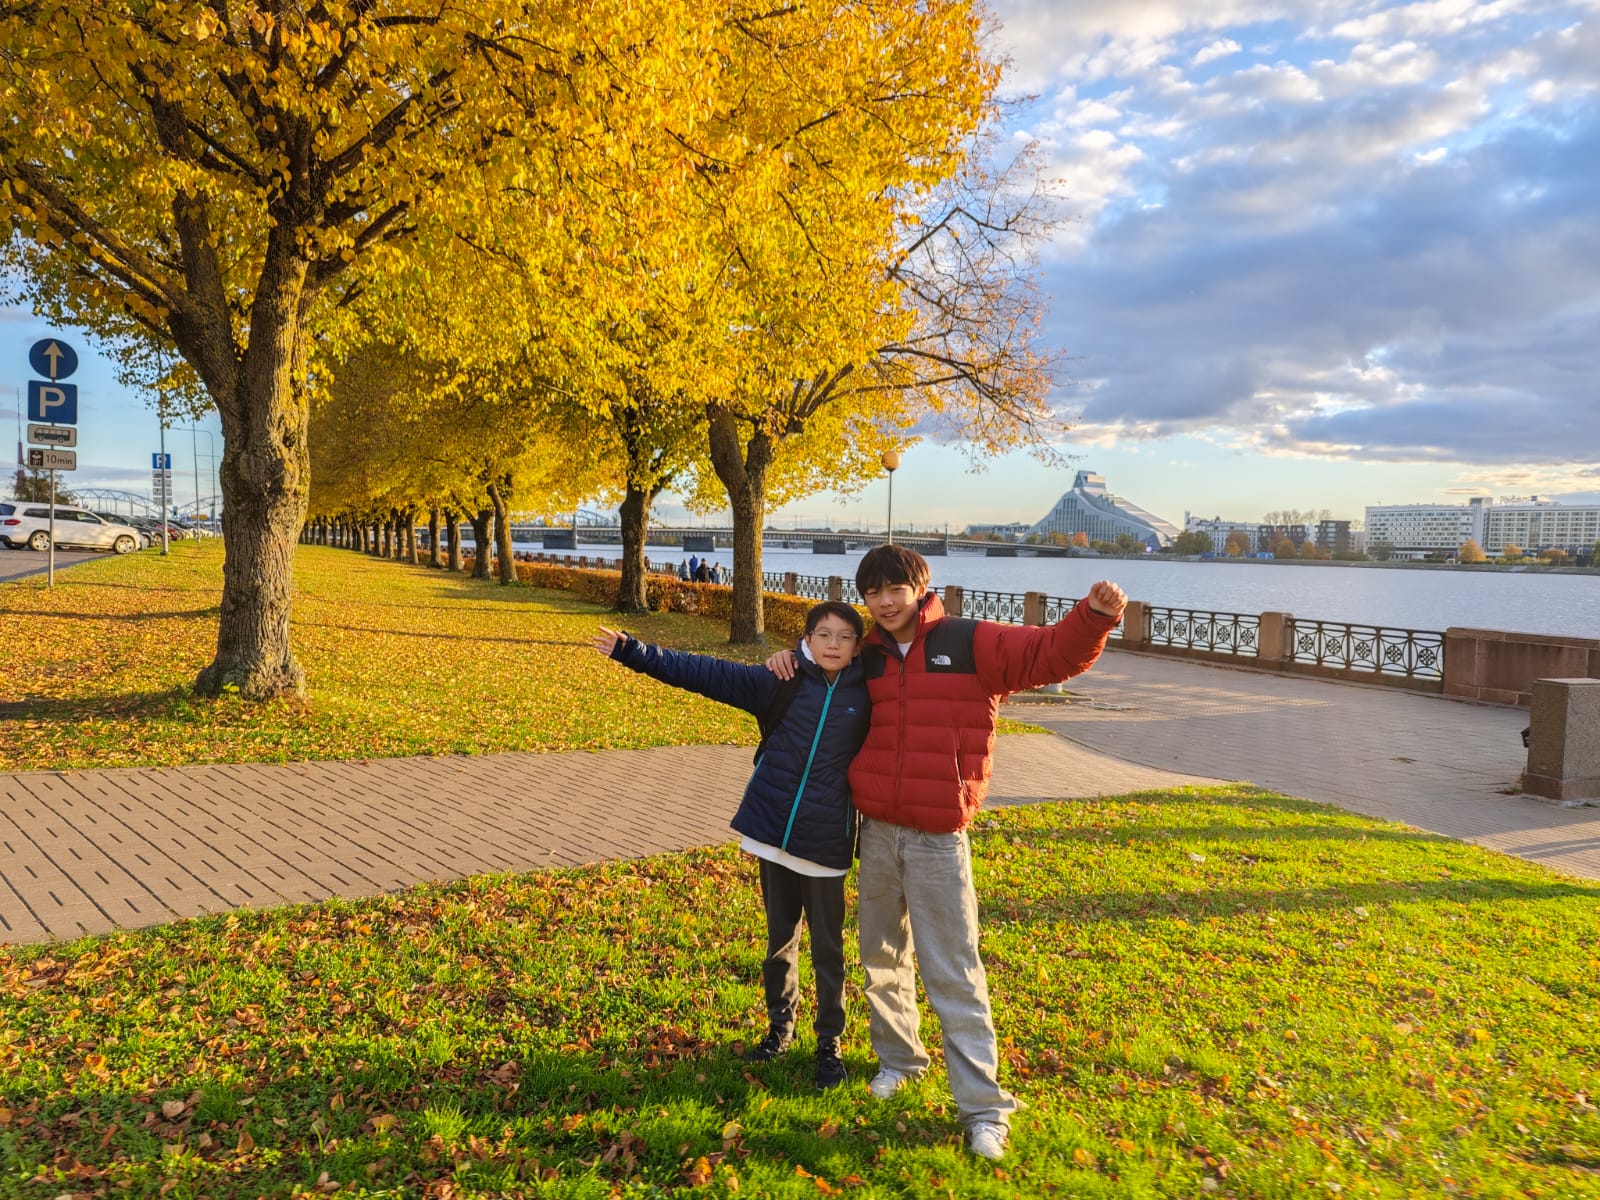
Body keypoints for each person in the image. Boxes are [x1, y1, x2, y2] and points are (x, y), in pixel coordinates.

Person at [766, 544, 1126, 1159]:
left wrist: (1092, 617)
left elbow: (1047, 654)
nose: (885, 602)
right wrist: (784, 656)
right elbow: (816, 666)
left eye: (895, 589)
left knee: (952, 970)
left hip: (938, 836)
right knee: (881, 956)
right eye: (873, 592)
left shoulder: (969, 641)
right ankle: (899, 1060)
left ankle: (984, 1109)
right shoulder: (868, 653)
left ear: (921, 587)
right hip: (877, 830)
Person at [591, 601, 871, 1089]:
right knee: (779, 943)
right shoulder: (781, 680)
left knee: (828, 952)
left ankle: (829, 1043)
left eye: (844, 636)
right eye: (823, 634)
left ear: (857, 646)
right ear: (806, 639)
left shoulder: (869, 693)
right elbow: (706, 673)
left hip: (826, 843)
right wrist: (634, 652)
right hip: (773, 834)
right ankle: (780, 1029)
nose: (833, 644)